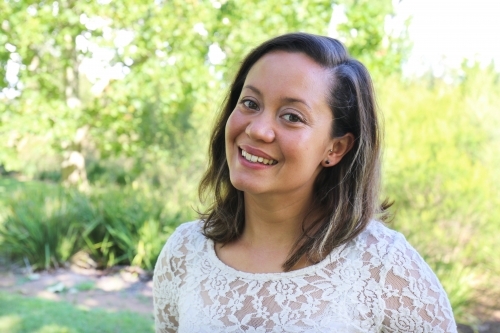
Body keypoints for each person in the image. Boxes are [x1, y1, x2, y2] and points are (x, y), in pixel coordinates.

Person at [153, 32, 457, 333]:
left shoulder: (384, 268)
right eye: (250, 103)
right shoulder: (185, 252)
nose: (259, 130)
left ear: (335, 148)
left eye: (292, 117)